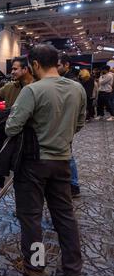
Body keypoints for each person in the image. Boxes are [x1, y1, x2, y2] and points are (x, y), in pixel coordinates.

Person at [5, 44, 85, 276]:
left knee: (31, 219)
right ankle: (72, 268)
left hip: (33, 164)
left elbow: (12, 127)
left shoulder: (32, 90)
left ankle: (35, 266)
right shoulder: (77, 88)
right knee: (65, 217)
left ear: (35, 65)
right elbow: (79, 124)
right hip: (62, 160)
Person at [58, 55, 82, 198]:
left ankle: (73, 185)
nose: (56, 68)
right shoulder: (68, 81)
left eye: (59, 65)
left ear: (66, 65)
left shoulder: (70, 82)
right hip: (66, 125)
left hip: (65, 126)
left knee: (67, 156)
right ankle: (72, 184)